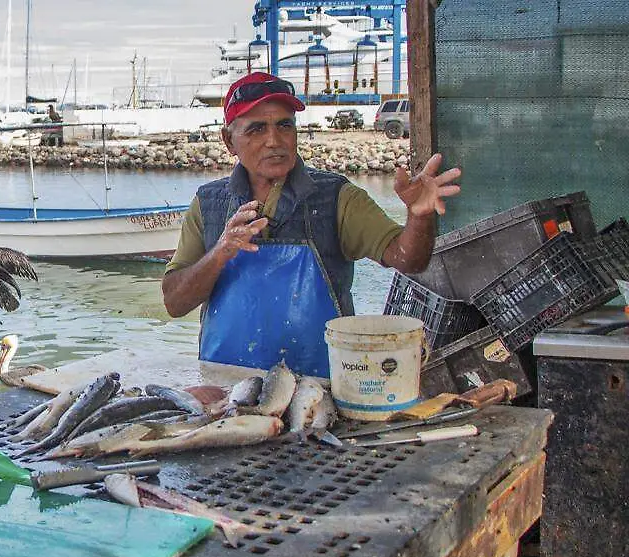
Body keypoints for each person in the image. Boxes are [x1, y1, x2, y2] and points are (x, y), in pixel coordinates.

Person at [162, 72, 461, 377]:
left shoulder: (338, 197)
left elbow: (409, 260)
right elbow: (174, 303)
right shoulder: (207, 204)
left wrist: (419, 215)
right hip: (224, 387)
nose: (274, 141)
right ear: (229, 141)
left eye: (284, 125)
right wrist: (220, 252)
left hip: (324, 386)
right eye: (256, 129)